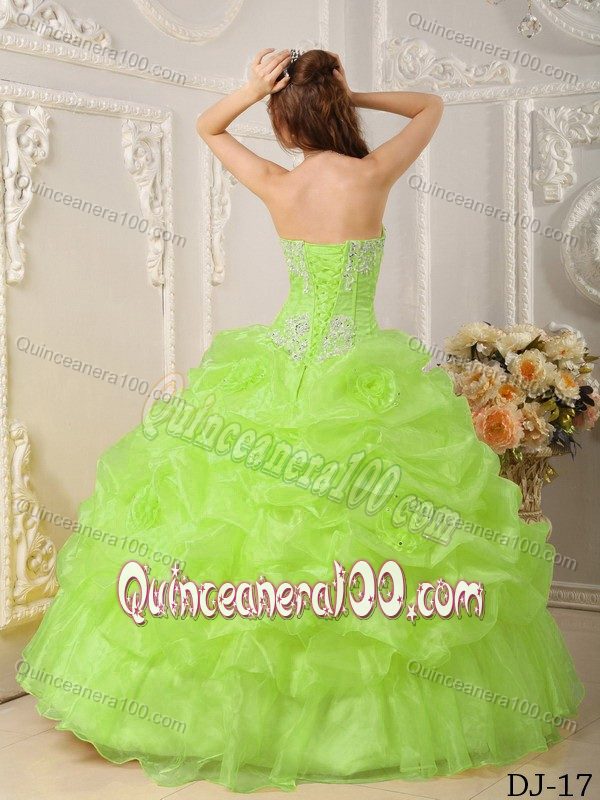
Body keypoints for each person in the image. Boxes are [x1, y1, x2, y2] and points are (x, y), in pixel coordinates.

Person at [16, 48, 584, 794]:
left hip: (281, 361)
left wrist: (254, 87)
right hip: (362, 369)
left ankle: (242, 716)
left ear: (286, 121)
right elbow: (433, 105)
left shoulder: (279, 183)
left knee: (244, 531)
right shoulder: (372, 174)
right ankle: (355, 715)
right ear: (335, 106)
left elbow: (208, 127)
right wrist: (355, 95)